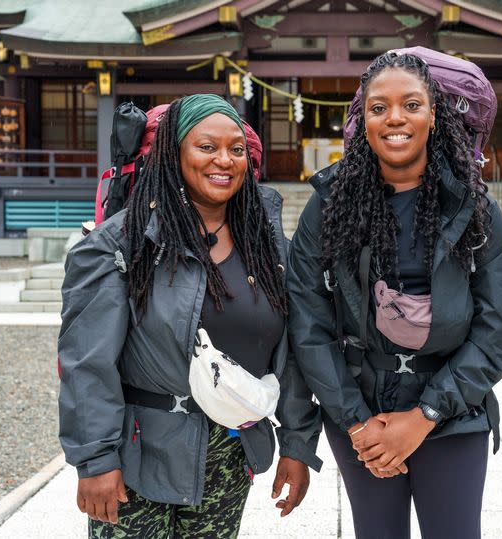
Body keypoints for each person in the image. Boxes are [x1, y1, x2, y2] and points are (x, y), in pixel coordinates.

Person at [58, 94, 322, 538]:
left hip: (229, 454)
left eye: (236, 149)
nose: (224, 160)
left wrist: (297, 444)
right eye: (206, 147)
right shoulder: (121, 244)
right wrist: (95, 460)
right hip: (139, 452)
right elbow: (87, 361)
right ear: (173, 152)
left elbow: (290, 353)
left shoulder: (268, 244)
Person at [287, 52, 502, 539]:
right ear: (363, 120)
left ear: (434, 114)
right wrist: (356, 422)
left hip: (453, 410)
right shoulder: (328, 207)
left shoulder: (475, 210)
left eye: (411, 104)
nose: (394, 118)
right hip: (360, 407)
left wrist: (425, 415)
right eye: (378, 108)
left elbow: (497, 334)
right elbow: (308, 323)